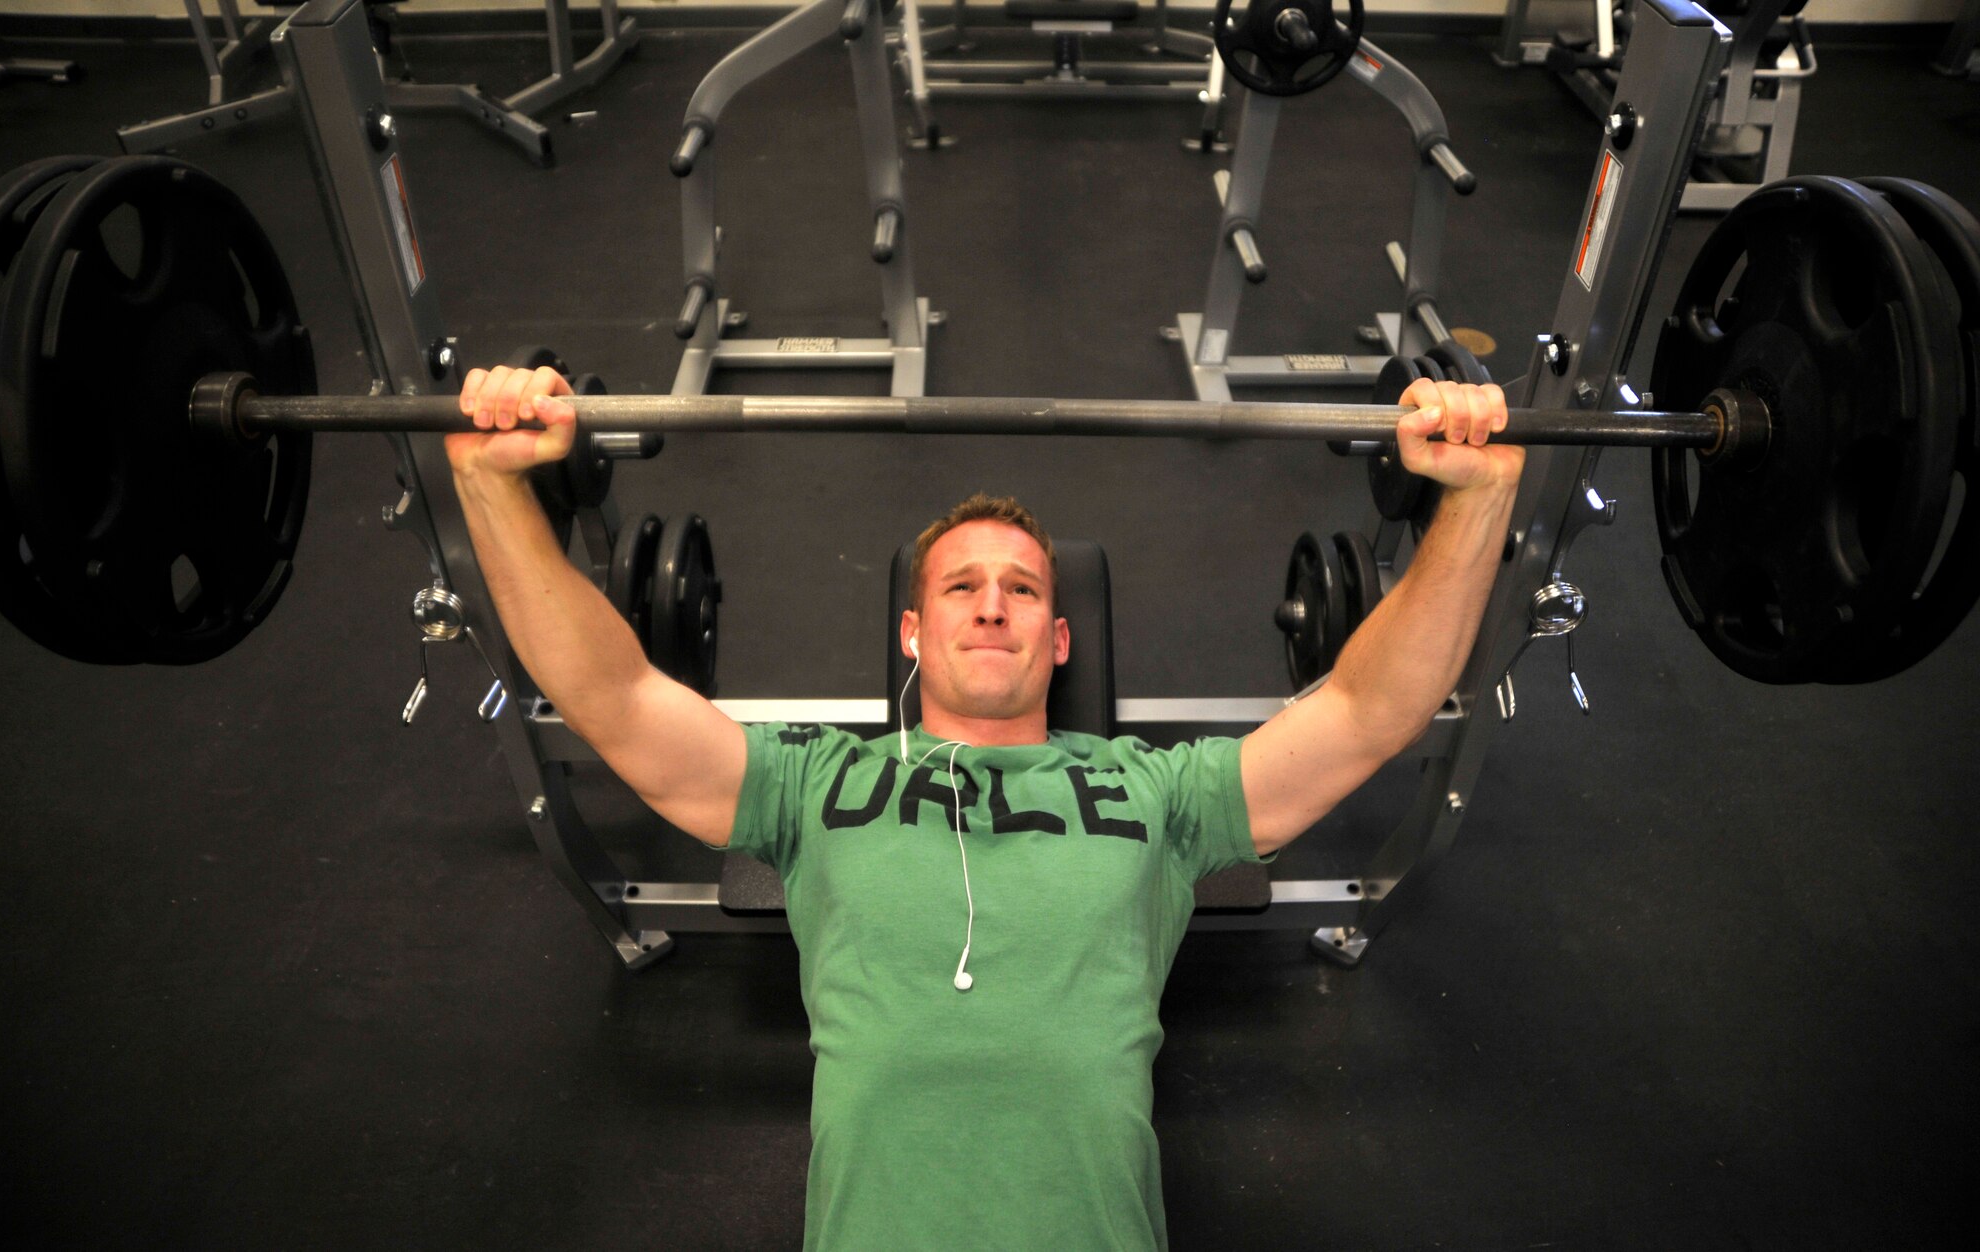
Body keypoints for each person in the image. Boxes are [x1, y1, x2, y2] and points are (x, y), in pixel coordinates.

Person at [447, 364, 1521, 1251]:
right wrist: (492, 487)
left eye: (1022, 588)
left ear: (1059, 639)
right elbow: (614, 697)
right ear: (911, 633)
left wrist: (1473, 500)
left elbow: (1371, 709)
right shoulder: (815, 781)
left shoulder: (1155, 791)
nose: (993, 602)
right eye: (959, 587)